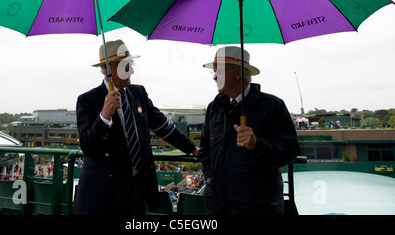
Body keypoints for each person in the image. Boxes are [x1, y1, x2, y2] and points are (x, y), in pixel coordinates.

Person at [74, 39, 199, 215]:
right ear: (109, 70)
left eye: (131, 64)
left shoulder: (138, 93)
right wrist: (104, 116)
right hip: (103, 196)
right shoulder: (88, 100)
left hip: (134, 192)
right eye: (126, 66)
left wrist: (193, 149)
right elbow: (88, 146)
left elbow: (163, 126)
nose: (132, 70)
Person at [198, 46, 299, 215]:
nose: (215, 77)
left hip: (257, 207)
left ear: (238, 73)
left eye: (220, 72)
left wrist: (257, 145)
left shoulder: (273, 106)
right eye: (214, 72)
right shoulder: (213, 108)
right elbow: (205, 147)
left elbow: (290, 151)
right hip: (218, 205)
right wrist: (210, 178)